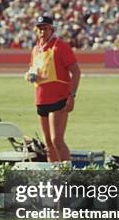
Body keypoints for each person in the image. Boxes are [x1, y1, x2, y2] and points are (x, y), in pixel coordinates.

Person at [26, 15, 81, 163]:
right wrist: (30, 75)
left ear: (52, 29)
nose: (42, 32)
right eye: (39, 29)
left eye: (45, 28)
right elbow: (34, 69)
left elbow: (75, 71)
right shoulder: (36, 49)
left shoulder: (60, 46)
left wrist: (72, 95)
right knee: (48, 144)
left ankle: (67, 176)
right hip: (41, 99)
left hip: (58, 99)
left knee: (57, 140)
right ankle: (54, 178)